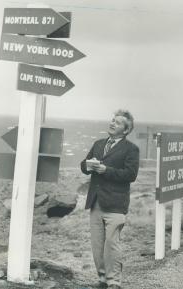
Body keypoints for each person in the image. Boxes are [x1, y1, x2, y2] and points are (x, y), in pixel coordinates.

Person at [81, 109, 140, 289]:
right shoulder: (98, 144)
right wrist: (88, 166)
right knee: (97, 245)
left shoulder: (131, 149)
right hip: (96, 202)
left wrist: (106, 170)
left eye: (118, 122)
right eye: (112, 120)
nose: (112, 123)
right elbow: (83, 165)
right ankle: (103, 280)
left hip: (115, 204)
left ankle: (114, 282)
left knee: (112, 245)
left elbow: (131, 174)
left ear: (126, 130)